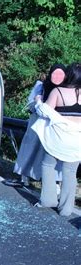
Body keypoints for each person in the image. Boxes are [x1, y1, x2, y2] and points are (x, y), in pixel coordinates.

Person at [32, 63, 81, 216]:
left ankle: (48, 200)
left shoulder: (58, 91)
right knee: (70, 172)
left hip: (58, 138)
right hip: (77, 139)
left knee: (48, 165)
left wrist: (38, 100)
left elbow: (44, 112)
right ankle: (66, 209)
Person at [8, 65, 67, 187]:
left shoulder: (65, 90)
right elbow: (30, 104)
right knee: (29, 150)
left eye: (60, 75)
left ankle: (52, 183)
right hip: (36, 124)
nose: (57, 77)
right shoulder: (41, 86)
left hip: (54, 127)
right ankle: (23, 178)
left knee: (51, 155)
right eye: (54, 74)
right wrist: (37, 103)